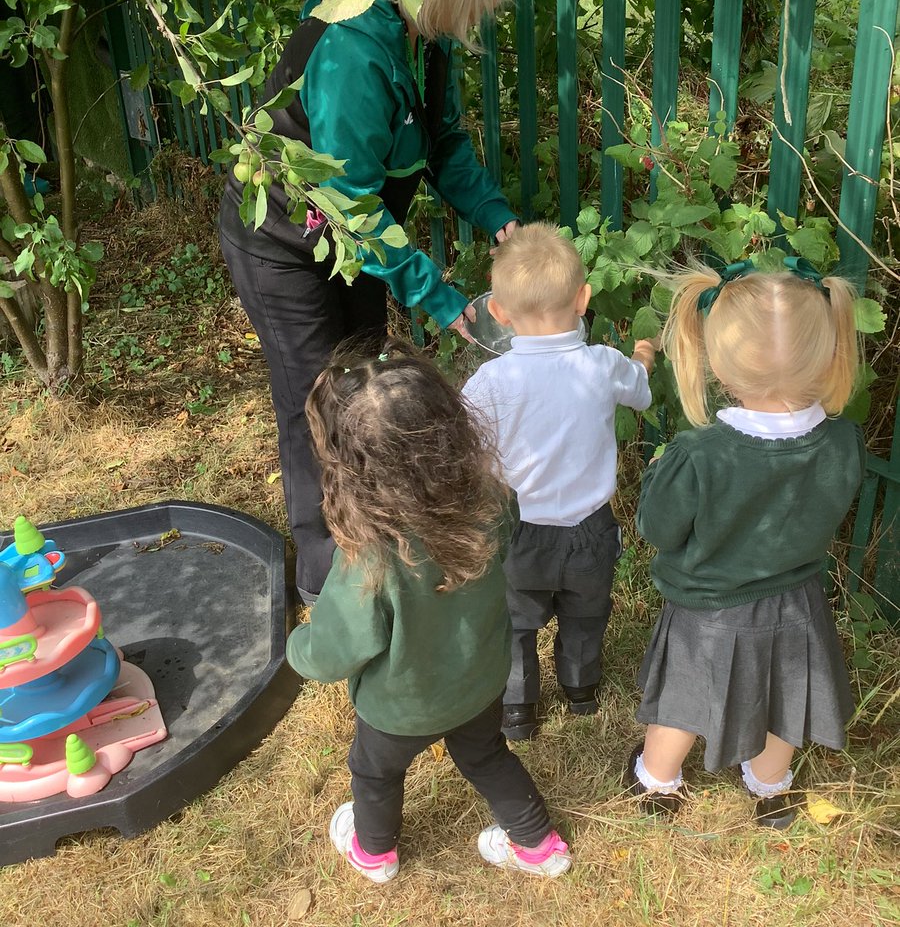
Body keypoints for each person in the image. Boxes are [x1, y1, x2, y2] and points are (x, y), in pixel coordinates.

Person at [218, 0, 518, 601]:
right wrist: (441, 300)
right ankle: (327, 582)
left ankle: (374, 536)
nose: (477, 19)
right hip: (285, 245)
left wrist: (498, 218)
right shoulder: (355, 48)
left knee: (366, 388)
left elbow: (440, 142)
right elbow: (351, 202)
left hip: (349, 245)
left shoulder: (419, 35)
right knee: (317, 403)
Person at [285, 345, 571, 882]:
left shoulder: (371, 559)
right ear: (451, 428)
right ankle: (538, 846)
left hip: (401, 708)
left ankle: (374, 852)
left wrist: (297, 646)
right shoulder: (492, 501)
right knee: (486, 756)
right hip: (480, 682)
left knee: (373, 773)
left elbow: (328, 655)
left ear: (348, 463)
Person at [626, 258, 865, 829]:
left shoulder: (699, 454)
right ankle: (770, 787)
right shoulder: (844, 442)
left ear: (721, 368)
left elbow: (657, 530)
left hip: (707, 610)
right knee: (786, 697)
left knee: (682, 700)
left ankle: (657, 784)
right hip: (799, 602)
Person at [463, 224, 657, 741]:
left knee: (515, 623)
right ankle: (580, 690)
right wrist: (643, 357)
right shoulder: (600, 365)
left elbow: (469, 454)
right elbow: (639, 392)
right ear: (583, 298)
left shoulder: (490, 382)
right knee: (587, 613)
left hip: (520, 529)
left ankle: (518, 709)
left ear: (499, 314)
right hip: (590, 528)